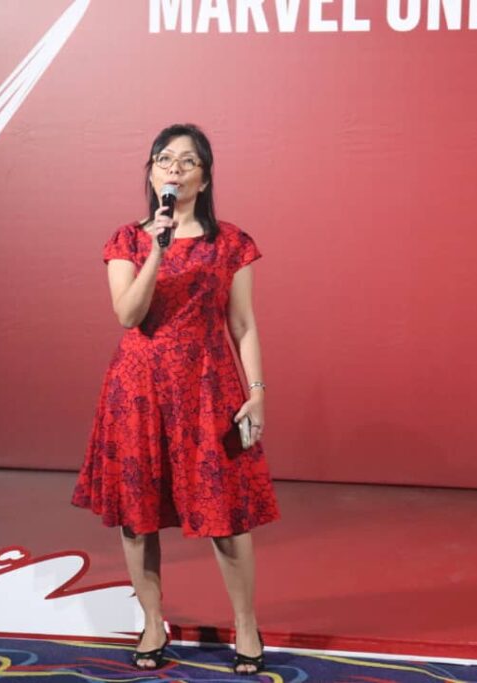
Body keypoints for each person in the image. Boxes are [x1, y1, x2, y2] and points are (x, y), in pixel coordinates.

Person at [72, 123, 279, 675]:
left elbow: (243, 325)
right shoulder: (129, 240)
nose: (175, 168)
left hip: (210, 389)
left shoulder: (231, 242)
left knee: (226, 517)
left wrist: (256, 392)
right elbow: (127, 315)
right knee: (138, 518)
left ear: (205, 176)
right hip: (139, 391)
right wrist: (158, 251)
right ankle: (152, 621)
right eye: (165, 159)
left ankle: (245, 625)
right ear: (151, 171)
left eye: (188, 161)